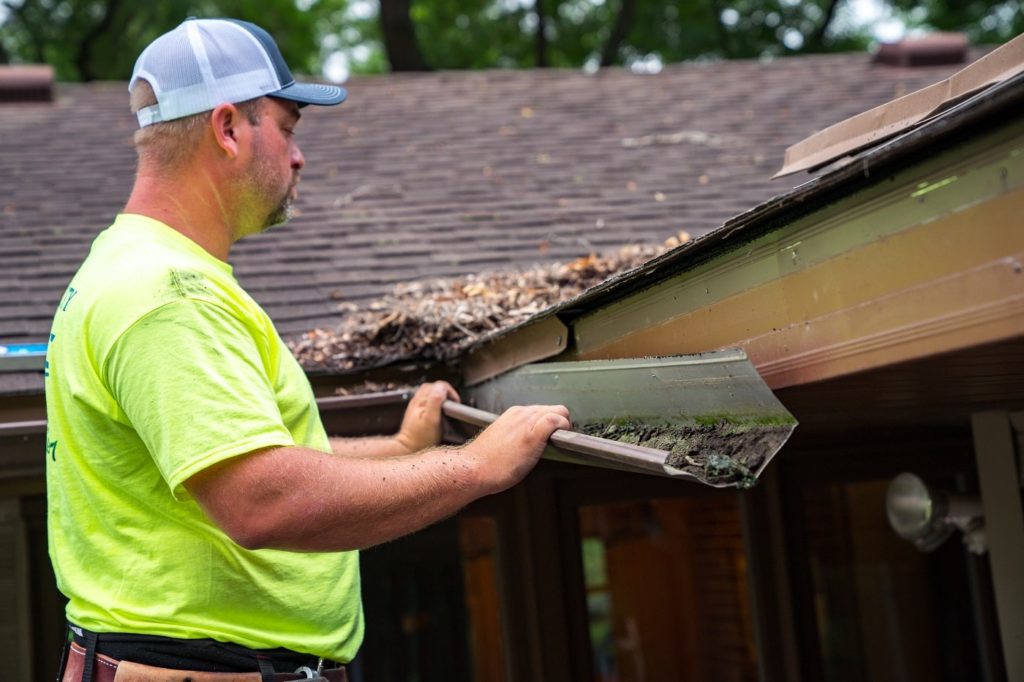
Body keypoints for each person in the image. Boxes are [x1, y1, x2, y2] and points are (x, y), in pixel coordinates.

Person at [45, 17, 570, 682]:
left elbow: (242, 458)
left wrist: (403, 453)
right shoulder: (168, 295)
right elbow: (262, 499)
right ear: (229, 127)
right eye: (288, 128)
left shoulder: (130, 266)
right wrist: (474, 468)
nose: (299, 156)